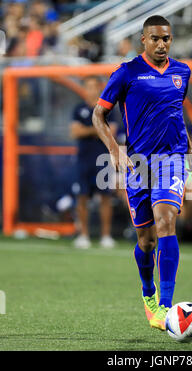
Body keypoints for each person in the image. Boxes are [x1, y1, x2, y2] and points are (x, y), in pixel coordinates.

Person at [93, 15, 192, 331]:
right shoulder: (127, 73)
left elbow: (175, 113)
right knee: (147, 241)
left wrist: (189, 149)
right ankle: (148, 291)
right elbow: (99, 114)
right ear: (143, 39)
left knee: (166, 221)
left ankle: (166, 307)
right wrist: (114, 149)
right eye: (155, 38)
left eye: (167, 38)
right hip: (137, 165)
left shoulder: (182, 72)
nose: (162, 44)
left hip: (172, 160)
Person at [70, 76, 117, 249]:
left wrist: (88, 130)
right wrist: (97, 129)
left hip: (103, 158)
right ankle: (84, 235)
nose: (91, 90)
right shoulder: (78, 109)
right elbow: (74, 132)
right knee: (81, 197)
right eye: (88, 87)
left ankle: (106, 236)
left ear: (99, 89)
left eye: (94, 86)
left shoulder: (108, 108)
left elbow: (111, 131)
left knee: (105, 197)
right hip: (84, 159)